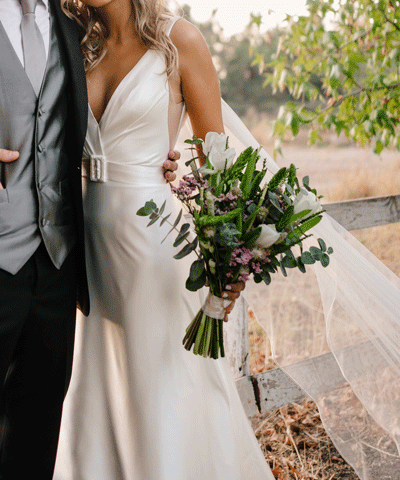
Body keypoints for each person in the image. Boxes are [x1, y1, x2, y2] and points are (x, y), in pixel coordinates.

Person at [53, 0, 274, 479]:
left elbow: (220, 169)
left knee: (165, 396)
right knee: (97, 395)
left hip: (159, 251)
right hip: (83, 252)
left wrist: (226, 266)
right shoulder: (72, 42)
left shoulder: (179, 41)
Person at [0, 1, 183, 479]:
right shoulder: (85, 34)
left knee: (37, 434)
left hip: (63, 268)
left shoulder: (72, 30)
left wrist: (178, 161)